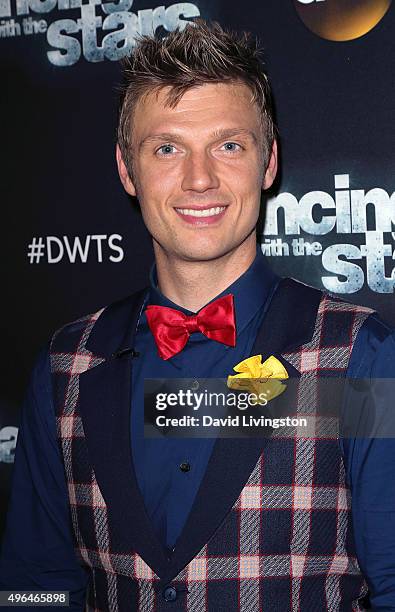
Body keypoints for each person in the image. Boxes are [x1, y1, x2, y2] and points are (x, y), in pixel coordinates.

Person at [1, 19, 395, 612]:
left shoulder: (362, 355)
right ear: (126, 170)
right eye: (166, 148)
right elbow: (35, 586)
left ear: (268, 163)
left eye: (228, 145)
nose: (199, 178)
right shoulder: (66, 367)